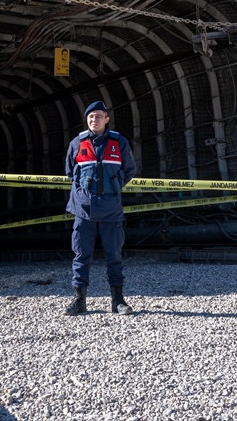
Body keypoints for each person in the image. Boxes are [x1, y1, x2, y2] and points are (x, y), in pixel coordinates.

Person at [63, 100, 137, 315]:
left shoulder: (119, 142)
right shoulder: (78, 143)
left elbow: (129, 170)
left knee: (114, 255)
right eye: (91, 117)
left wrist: (112, 188)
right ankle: (79, 301)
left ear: (107, 119)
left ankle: (118, 301)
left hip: (111, 211)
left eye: (98, 116)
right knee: (81, 256)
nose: (94, 120)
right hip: (83, 210)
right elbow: (70, 172)